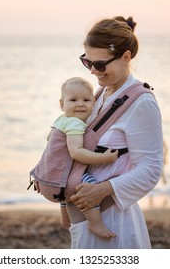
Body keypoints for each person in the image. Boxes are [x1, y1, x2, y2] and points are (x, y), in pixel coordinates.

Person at [68, 16, 163, 248]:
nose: (92, 71)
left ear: (126, 57)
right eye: (87, 62)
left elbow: (151, 169)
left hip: (114, 219)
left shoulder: (142, 102)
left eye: (100, 65)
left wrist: (102, 191)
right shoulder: (101, 94)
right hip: (88, 216)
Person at [52, 77, 118, 239]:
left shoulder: (61, 121)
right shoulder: (75, 124)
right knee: (89, 183)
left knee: (65, 191)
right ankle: (95, 222)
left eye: (86, 100)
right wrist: (104, 158)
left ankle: (66, 219)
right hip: (67, 171)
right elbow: (76, 152)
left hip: (57, 172)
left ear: (94, 103)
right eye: (73, 100)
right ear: (62, 104)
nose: (80, 104)